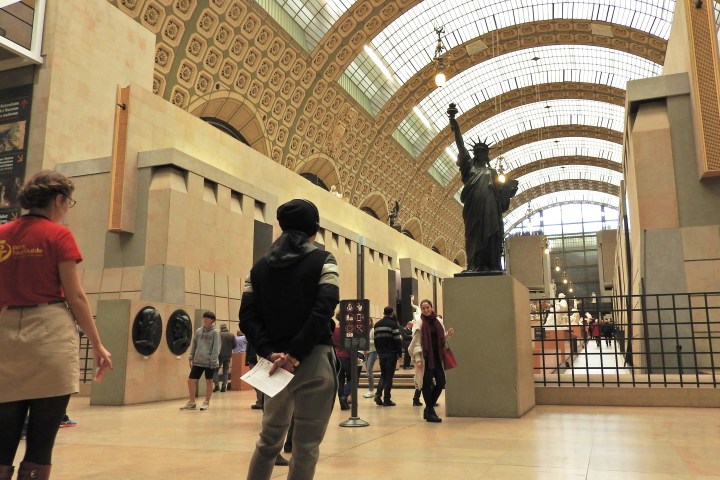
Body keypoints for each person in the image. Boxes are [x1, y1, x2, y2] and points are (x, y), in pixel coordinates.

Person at [0, 170, 113, 480]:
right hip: (48, 333)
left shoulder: (2, 233)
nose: (66, 209)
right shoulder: (58, 235)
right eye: (68, 202)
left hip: (6, 335)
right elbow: (75, 297)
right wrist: (98, 344)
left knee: (3, 435)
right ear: (59, 199)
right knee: (40, 440)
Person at [240, 198, 339, 480]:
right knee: (306, 446)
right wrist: (294, 354)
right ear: (313, 231)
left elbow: (247, 317)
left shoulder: (257, 270)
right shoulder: (324, 261)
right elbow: (324, 308)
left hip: (272, 367)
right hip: (314, 359)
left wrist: (272, 353)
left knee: (268, 440)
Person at [447, 103, 518, 272]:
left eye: (484, 151)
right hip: (474, 210)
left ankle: (491, 265)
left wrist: (508, 191)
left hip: (491, 212)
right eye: (479, 151)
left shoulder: (492, 172)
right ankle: (474, 265)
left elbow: (501, 197)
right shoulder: (469, 168)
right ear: (475, 154)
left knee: (491, 236)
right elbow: (460, 146)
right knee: (474, 237)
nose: (482, 154)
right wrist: (455, 124)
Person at [408, 299, 455, 423]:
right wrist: (418, 359)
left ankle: (428, 408)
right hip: (426, 359)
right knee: (426, 384)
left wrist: (448, 334)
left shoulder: (438, 321)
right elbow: (416, 343)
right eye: (423, 308)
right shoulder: (419, 323)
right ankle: (430, 411)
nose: (426, 310)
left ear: (431, 307)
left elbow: (441, 339)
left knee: (441, 382)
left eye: (427, 307)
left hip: (437, 357)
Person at [180, 311, 220, 411]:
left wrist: (213, 361)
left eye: (207, 318)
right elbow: (194, 345)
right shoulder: (198, 331)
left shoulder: (215, 333)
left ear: (212, 320)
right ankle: (192, 402)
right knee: (191, 381)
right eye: (204, 318)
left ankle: (206, 402)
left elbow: (216, 348)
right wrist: (191, 357)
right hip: (198, 361)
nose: (205, 319)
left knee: (209, 381)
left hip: (210, 362)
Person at [373, 307, 402, 407]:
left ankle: (378, 394)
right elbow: (397, 340)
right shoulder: (393, 324)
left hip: (381, 353)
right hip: (391, 353)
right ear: (392, 313)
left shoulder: (377, 324)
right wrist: (400, 353)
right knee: (389, 376)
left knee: (383, 375)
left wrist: (378, 351)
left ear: (383, 312)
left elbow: (375, 339)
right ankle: (387, 399)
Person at [213, 324, 237, 392]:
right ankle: (224, 386)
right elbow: (235, 345)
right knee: (225, 371)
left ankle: (216, 385)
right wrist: (229, 348)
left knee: (215, 371)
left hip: (219, 355)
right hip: (228, 355)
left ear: (221, 328)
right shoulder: (231, 335)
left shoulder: (218, 335)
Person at [363, 320, 377, 398]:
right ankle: (371, 390)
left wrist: (366, 341)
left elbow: (375, 341)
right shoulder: (364, 330)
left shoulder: (373, 330)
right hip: (366, 352)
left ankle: (371, 391)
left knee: (369, 371)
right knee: (368, 372)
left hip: (373, 351)